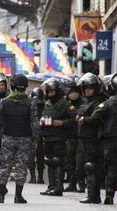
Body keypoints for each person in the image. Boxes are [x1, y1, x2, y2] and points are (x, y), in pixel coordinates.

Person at [0, 73, 39, 204]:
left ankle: (0, 195)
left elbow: (1, 119)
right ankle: (18, 196)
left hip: (8, 137)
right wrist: (35, 140)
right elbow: (34, 124)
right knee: (21, 167)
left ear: (12, 86)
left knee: (5, 166)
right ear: (25, 86)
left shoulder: (3, 102)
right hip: (25, 139)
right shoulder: (31, 103)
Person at [39, 79, 76, 197]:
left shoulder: (65, 103)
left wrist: (62, 123)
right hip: (47, 137)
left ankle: (58, 187)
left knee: (57, 161)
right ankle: (51, 186)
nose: (50, 94)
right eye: (49, 92)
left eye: (52, 92)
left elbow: (74, 118)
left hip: (59, 137)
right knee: (49, 161)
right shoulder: (47, 103)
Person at [76, 72, 108, 203]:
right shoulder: (88, 102)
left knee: (92, 167)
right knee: (89, 167)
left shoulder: (99, 102)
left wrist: (84, 119)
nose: (88, 91)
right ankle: (93, 195)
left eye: (90, 88)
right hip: (85, 138)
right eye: (86, 89)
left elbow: (96, 119)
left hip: (94, 139)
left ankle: (93, 196)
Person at [86, 73, 117, 205]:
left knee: (111, 167)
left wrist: (83, 119)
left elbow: (94, 118)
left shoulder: (107, 104)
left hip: (110, 139)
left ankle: (109, 196)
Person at [64, 82, 86, 193]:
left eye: (75, 92)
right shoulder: (67, 104)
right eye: (71, 92)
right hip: (71, 136)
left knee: (80, 162)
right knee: (71, 161)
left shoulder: (83, 104)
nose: (73, 94)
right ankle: (72, 183)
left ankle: (81, 183)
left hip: (81, 137)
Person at [28, 88, 45, 184]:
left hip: (32, 134)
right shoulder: (45, 106)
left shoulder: (30, 105)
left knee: (32, 156)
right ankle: (40, 177)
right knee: (40, 156)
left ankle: (33, 176)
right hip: (41, 134)